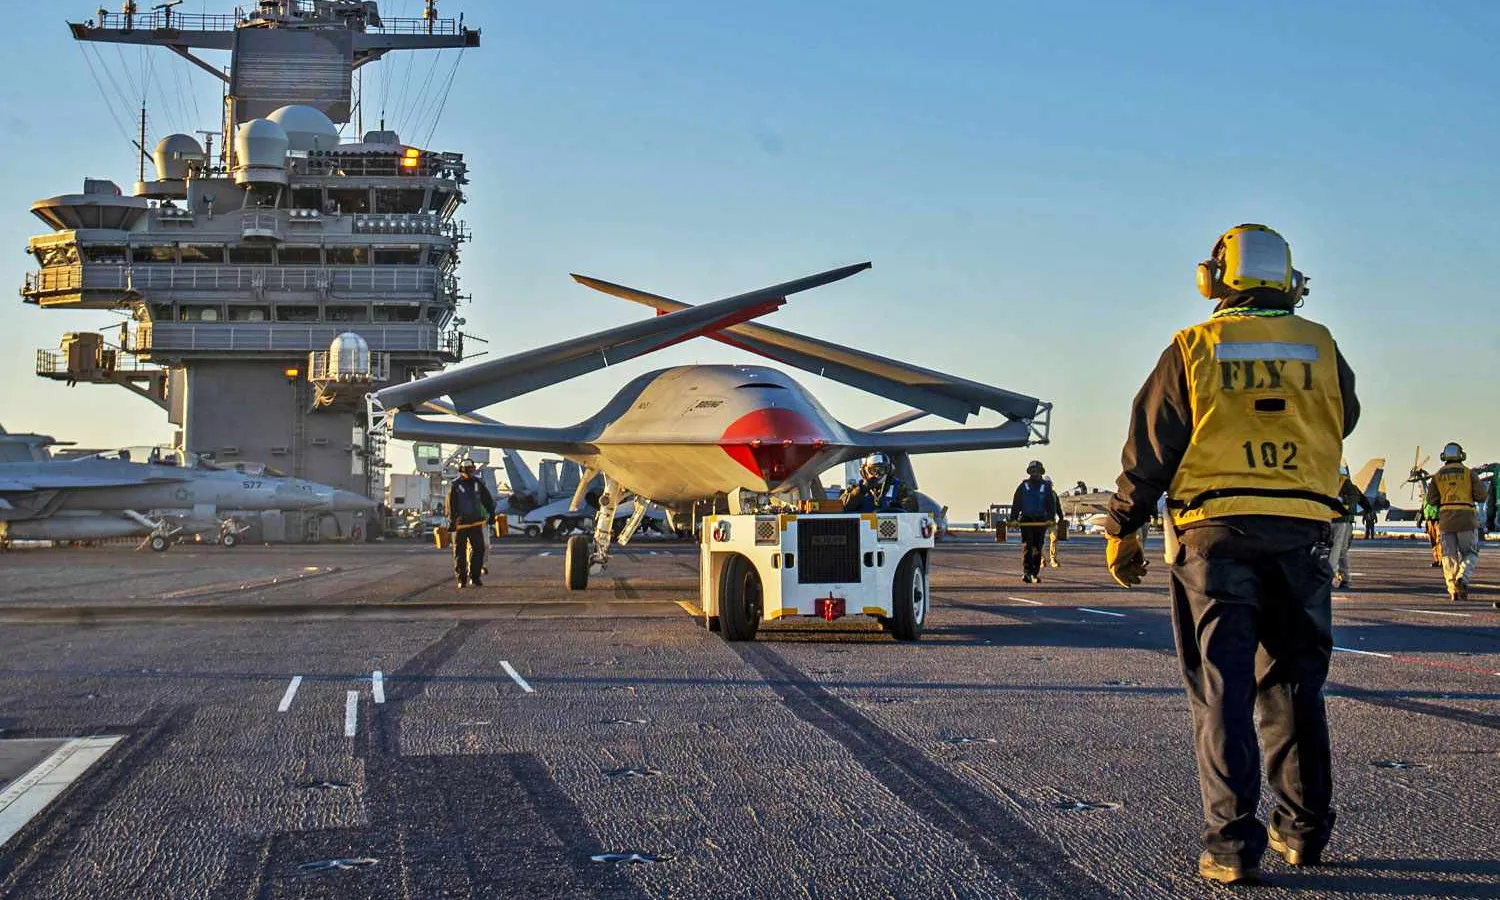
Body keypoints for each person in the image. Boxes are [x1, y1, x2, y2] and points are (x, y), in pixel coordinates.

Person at [1102, 224, 1359, 884]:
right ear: (1288, 281)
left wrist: (1121, 527)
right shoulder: (1322, 346)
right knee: (1296, 685)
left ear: (1215, 279)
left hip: (1213, 537)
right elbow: (1345, 415)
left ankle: (1232, 845)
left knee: (1222, 688)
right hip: (1302, 534)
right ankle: (1303, 831)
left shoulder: (1195, 347)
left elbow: (1151, 448)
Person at [1425, 442, 1485, 603]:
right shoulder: (1468, 473)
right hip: (1466, 518)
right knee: (1470, 553)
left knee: (1448, 556)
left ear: (1444, 456)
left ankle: (1454, 592)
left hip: (1445, 520)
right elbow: (1482, 496)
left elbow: (1431, 500)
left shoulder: (1437, 475)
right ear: (1461, 456)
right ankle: (1462, 579)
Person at [446, 457, 495, 588]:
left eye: (471, 470)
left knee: (479, 550)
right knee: (460, 553)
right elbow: (451, 504)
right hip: (461, 524)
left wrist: (492, 514)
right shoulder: (455, 485)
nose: (469, 472)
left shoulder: (478, 483)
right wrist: (452, 521)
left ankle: (475, 577)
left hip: (475, 523)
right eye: (467, 470)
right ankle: (461, 579)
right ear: (462, 470)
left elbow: (487, 500)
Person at [1010, 461, 1062, 583]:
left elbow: (1051, 504)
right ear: (1029, 472)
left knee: (1037, 547)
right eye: (1032, 470)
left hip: (1041, 521)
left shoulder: (1046, 487)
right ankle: (1027, 572)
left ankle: (1034, 573)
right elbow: (1016, 503)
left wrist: (1051, 518)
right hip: (1026, 519)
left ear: (1041, 472)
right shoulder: (1023, 486)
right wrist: (1013, 518)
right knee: (1027, 546)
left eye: (1037, 470)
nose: (1035, 473)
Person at [840, 452, 917, 513]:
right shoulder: (854, 489)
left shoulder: (901, 488)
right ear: (865, 471)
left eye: (881, 470)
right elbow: (844, 506)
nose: (877, 475)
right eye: (873, 470)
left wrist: (897, 508)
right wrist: (861, 490)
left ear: (889, 470)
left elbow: (911, 508)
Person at [1328, 466, 1364, 589]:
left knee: (1336, 549)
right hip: (1329, 519)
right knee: (1339, 550)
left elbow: (1355, 497)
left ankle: (1330, 577)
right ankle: (1344, 578)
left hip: (1341, 521)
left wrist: (1342, 499)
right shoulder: (1329, 479)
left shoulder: (1344, 482)